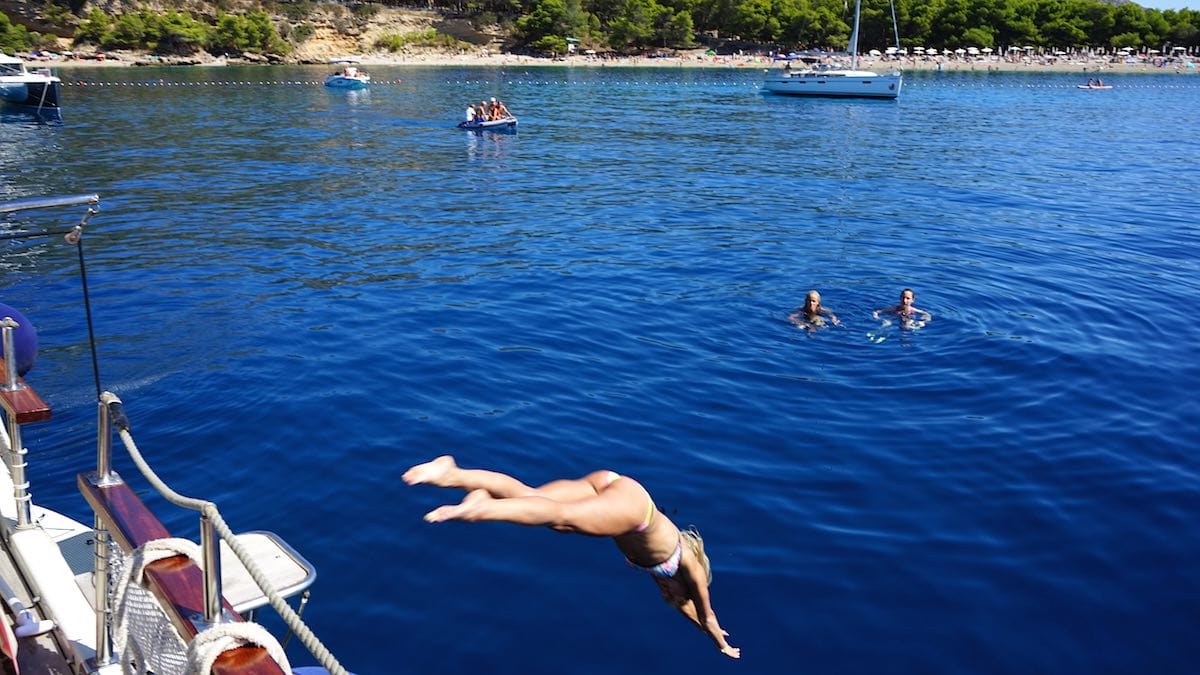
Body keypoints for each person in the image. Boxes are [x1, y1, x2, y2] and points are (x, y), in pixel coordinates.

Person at [403, 456, 741, 659]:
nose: (667, 595)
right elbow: (702, 612)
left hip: (611, 484)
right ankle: (483, 509)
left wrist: (696, 622)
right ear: (686, 584)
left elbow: (683, 609)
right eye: (674, 594)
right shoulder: (686, 566)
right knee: (561, 517)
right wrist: (719, 642)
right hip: (636, 509)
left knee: (532, 498)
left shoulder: (664, 577)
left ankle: (452, 474)